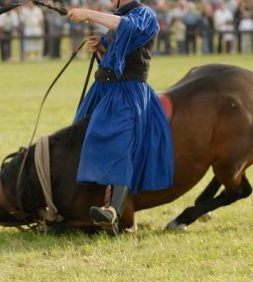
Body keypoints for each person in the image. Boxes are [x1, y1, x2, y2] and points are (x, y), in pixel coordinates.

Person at [67, 0, 174, 235]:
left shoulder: (145, 14)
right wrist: (100, 48)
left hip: (128, 92)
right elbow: (115, 52)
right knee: (79, 136)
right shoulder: (117, 17)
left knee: (118, 143)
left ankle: (114, 211)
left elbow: (127, 27)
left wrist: (89, 14)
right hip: (104, 90)